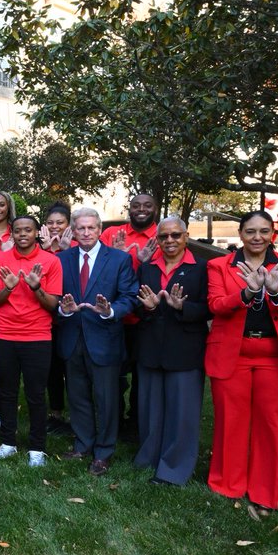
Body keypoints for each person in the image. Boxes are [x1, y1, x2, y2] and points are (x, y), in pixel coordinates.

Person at [205, 210, 278, 512]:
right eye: (250, 231)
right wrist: (248, 291)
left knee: (272, 425)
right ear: (240, 234)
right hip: (232, 354)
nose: (257, 237)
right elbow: (216, 305)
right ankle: (228, 484)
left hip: (276, 356)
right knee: (230, 422)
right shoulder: (219, 265)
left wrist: (276, 291)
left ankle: (268, 491)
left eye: (264, 231)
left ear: (272, 234)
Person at [54, 207, 138, 476]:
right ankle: (82, 444)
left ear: (100, 230)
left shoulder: (118, 259)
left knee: (106, 399)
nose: (86, 232)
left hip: (104, 339)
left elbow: (130, 297)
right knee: (77, 397)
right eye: (81, 228)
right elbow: (55, 297)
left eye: (91, 228)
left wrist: (110, 311)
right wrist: (64, 309)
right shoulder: (62, 259)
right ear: (74, 231)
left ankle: (103, 452)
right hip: (72, 338)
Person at [134, 216, 209, 486]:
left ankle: (173, 469)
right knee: (150, 410)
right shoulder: (147, 268)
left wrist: (182, 307)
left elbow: (210, 308)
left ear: (186, 237)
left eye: (175, 235)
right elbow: (137, 304)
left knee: (182, 414)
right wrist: (150, 307)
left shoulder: (201, 268)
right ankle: (149, 457)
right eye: (163, 237)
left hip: (185, 349)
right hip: (151, 347)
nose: (169, 241)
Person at [0, 216, 62, 466]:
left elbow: (53, 305)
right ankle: (8, 442)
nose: (22, 234)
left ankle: (37, 448)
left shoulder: (51, 261)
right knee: (6, 392)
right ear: (12, 234)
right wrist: (8, 288)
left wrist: (37, 287)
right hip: (5, 335)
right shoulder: (1, 260)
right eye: (17, 231)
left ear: (37, 232)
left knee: (35, 394)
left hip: (37, 337)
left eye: (28, 230)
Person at [101, 193, 159, 442]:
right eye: (136, 205)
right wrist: (116, 255)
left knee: (142, 374)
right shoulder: (111, 234)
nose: (141, 210)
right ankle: (111, 421)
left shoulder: (162, 236)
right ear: (130, 208)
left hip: (144, 317)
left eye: (147, 205)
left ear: (155, 208)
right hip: (112, 315)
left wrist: (143, 263)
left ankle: (136, 423)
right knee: (113, 374)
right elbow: (97, 268)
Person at [40, 203, 74, 435]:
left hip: (71, 314)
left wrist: (63, 251)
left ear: (68, 225)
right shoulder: (39, 247)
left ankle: (76, 412)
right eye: (50, 222)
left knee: (70, 365)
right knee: (51, 366)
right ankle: (55, 412)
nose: (54, 227)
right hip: (46, 315)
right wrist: (46, 250)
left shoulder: (76, 246)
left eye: (59, 223)